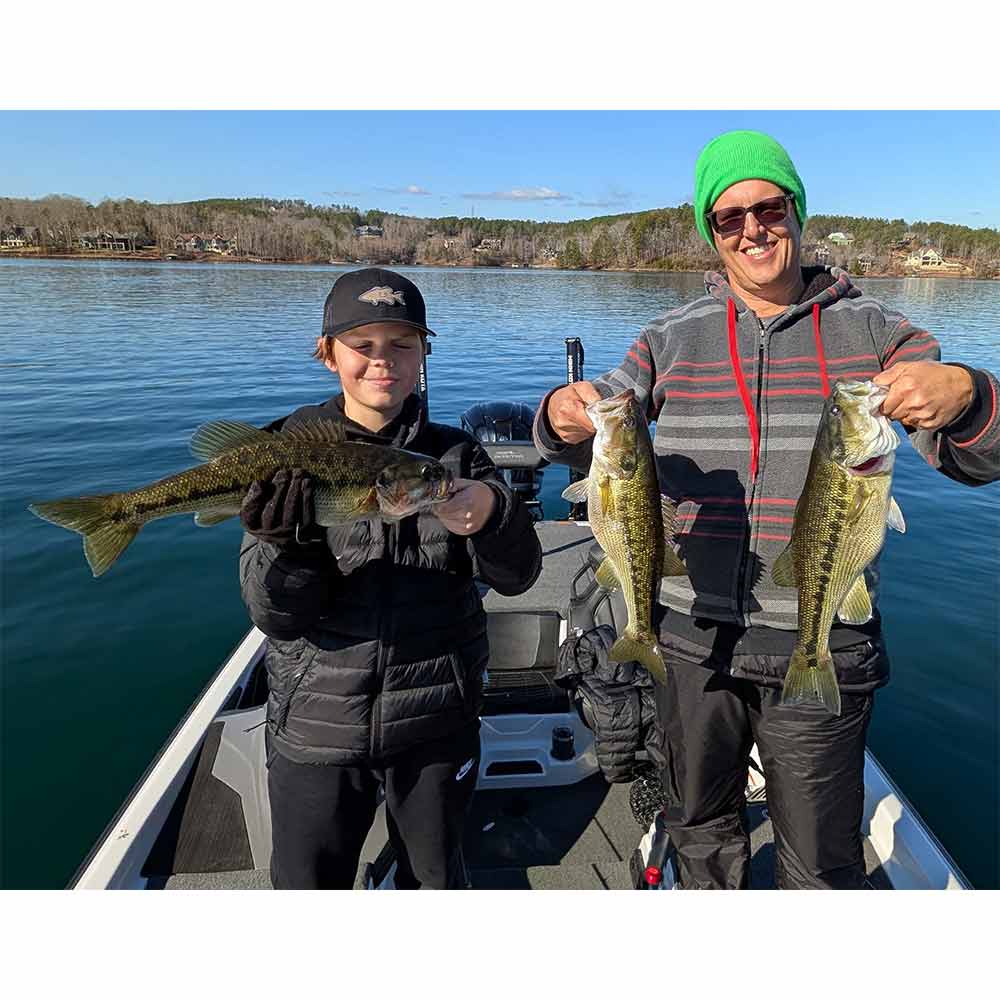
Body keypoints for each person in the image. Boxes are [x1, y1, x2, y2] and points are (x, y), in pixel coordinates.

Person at [533, 130, 1000, 889]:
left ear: (797, 212)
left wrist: (968, 393)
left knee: (820, 861)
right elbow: (593, 431)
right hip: (688, 638)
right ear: (711, 235)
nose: (753, 228)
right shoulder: (668, 336)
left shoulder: (880, 331)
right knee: (700, 831)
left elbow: (975, 457)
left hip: (822, 640)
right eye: (729, 218)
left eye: (769, 207)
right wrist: (559, 412)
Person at [240, 267, 542, 889]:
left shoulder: (455, 457)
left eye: (402, 345)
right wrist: (292, 548)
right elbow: (273, 615)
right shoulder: (287, 451)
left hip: (437, 721)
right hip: (316, 727)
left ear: (424, 353)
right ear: (328, 354)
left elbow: (517, 576)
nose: (383, 362)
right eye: (363, 345)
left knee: (433, 879)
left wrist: (491, 515)